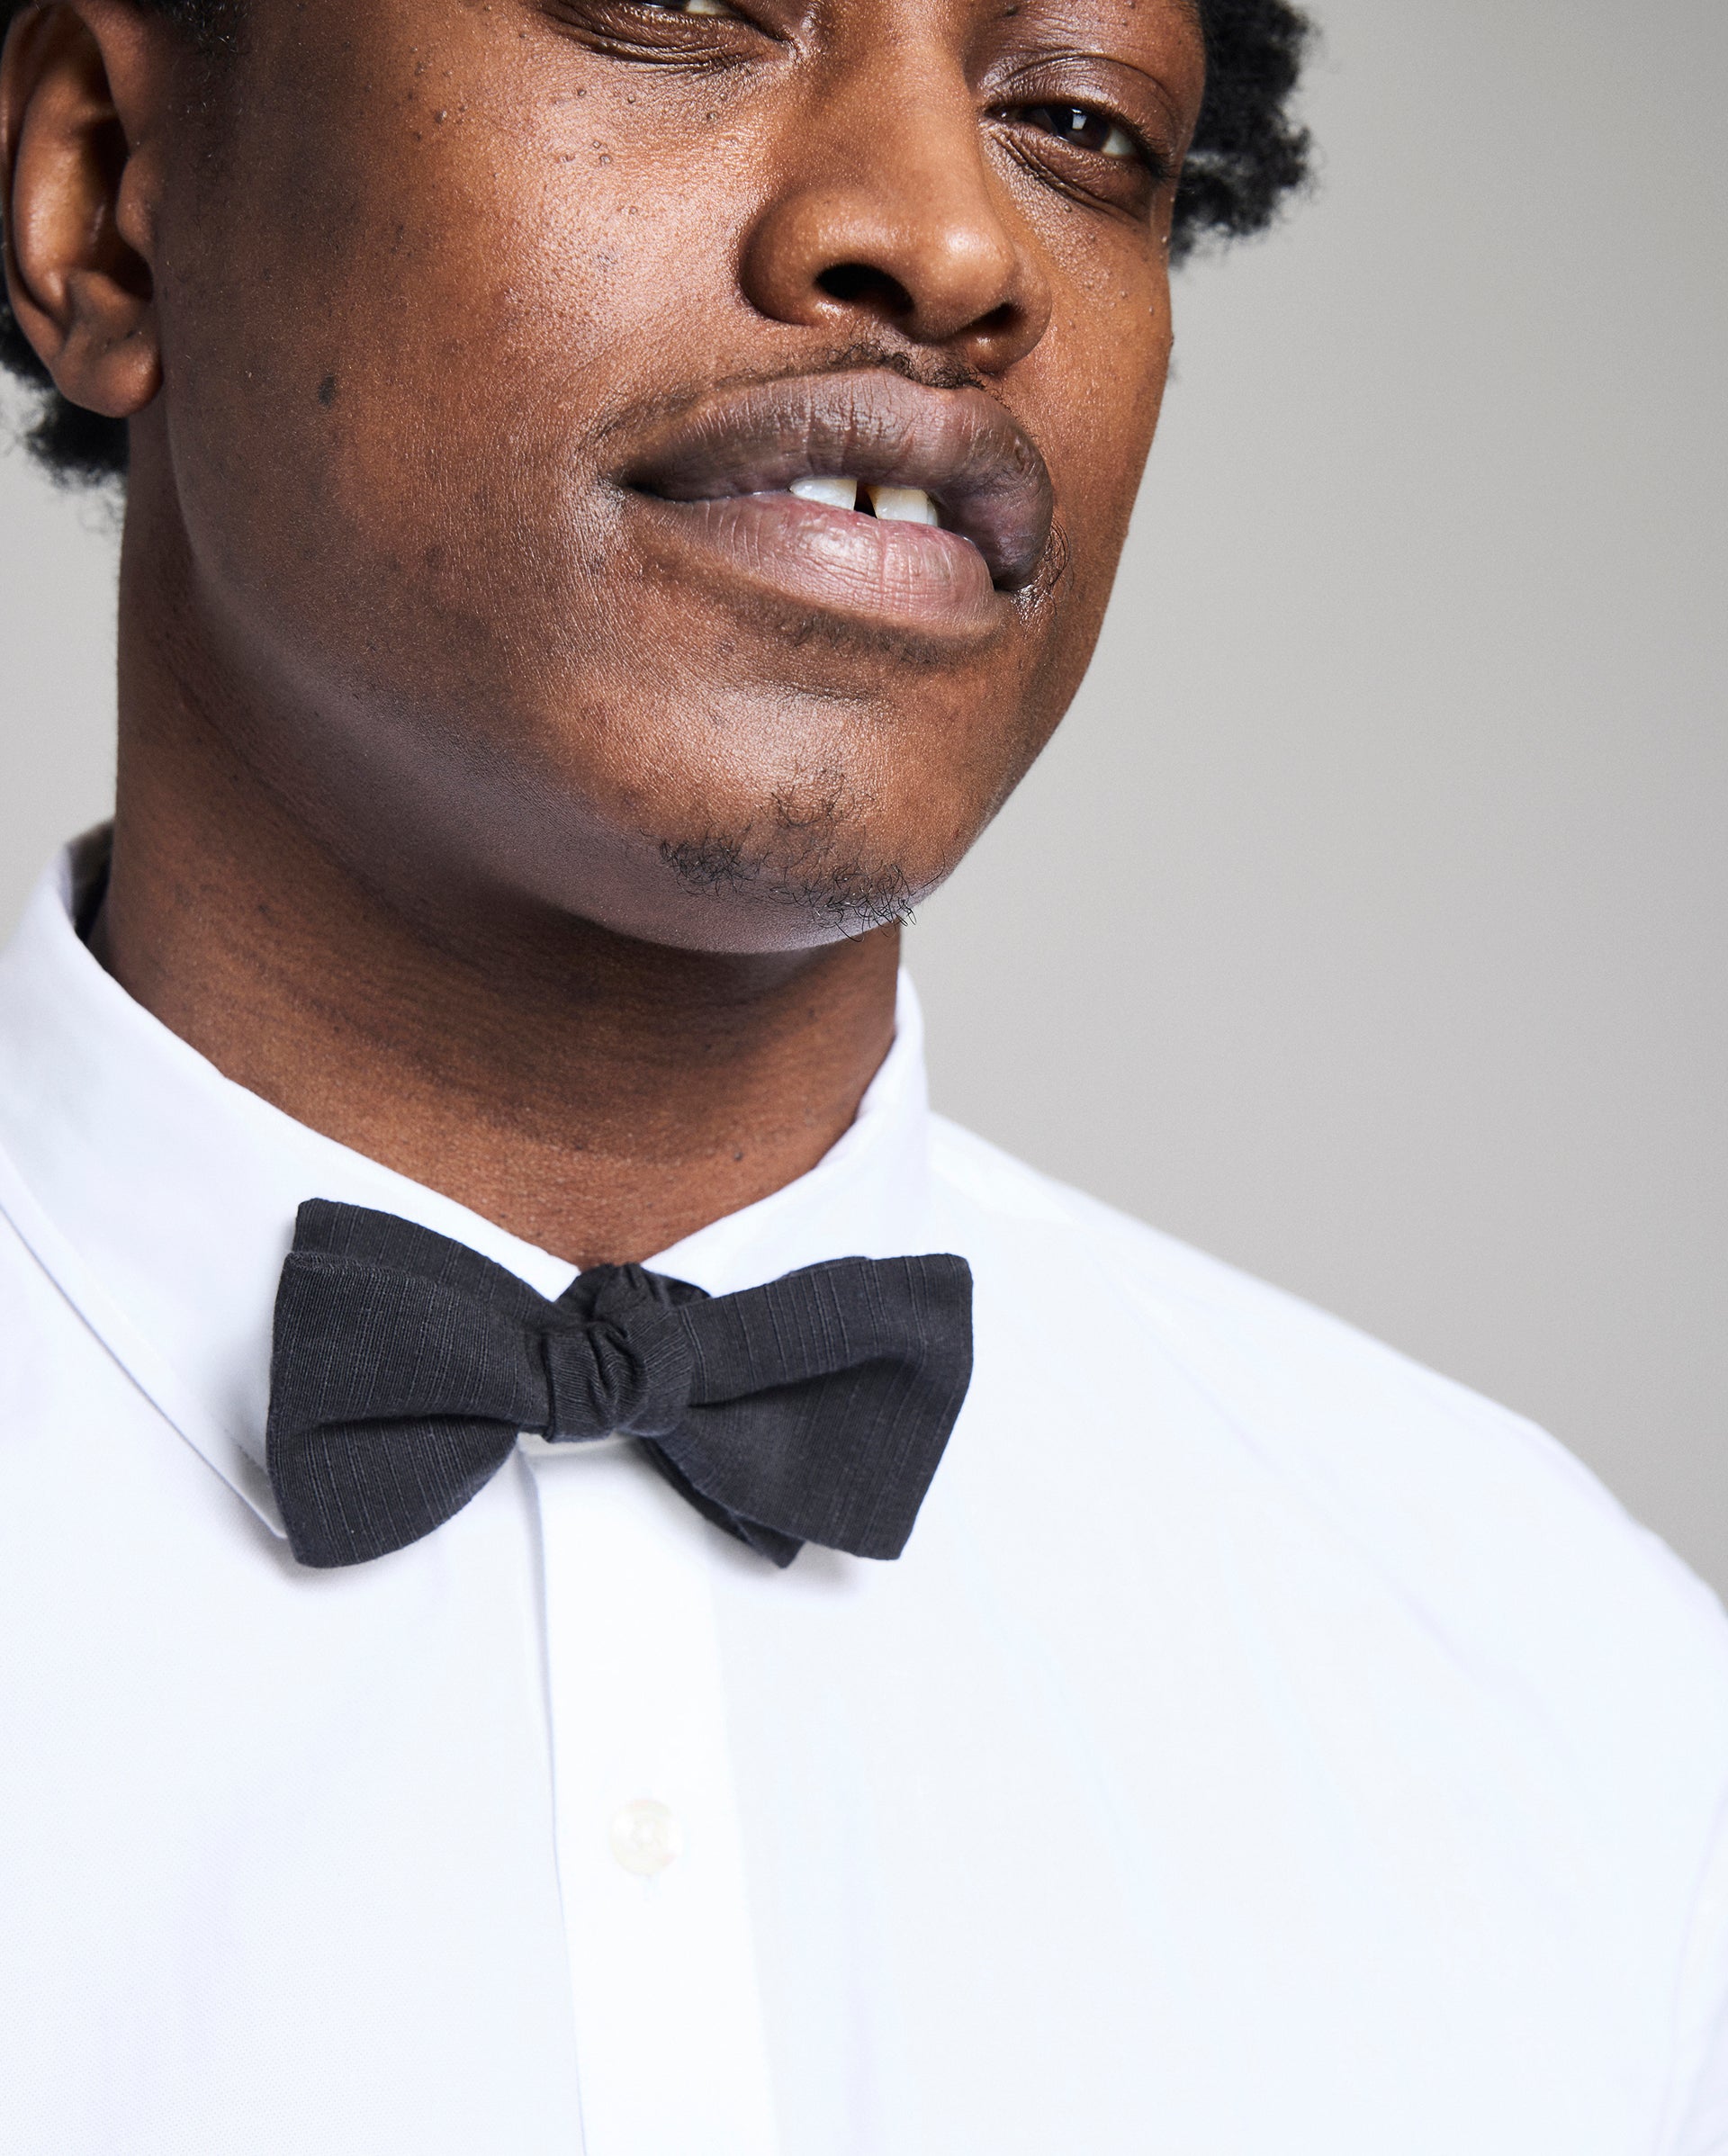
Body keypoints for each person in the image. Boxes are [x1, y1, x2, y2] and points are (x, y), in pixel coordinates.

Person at [0, 0, 1724, 2150]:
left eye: (1079, 120)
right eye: (675, 12)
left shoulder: (1589, 1738)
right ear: (101, 195)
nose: (947, 235)